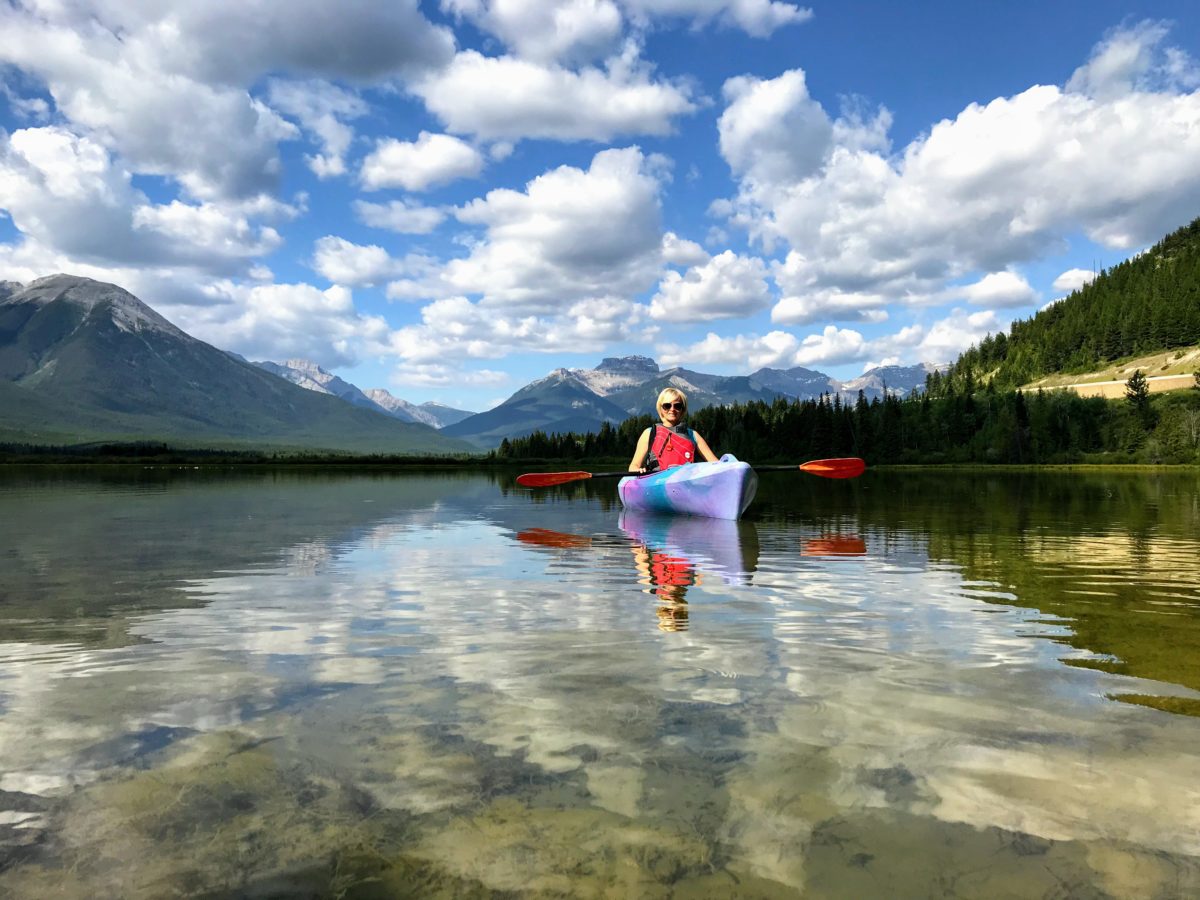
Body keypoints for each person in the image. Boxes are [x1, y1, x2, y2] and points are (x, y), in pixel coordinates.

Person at [628, 387, 719, 474]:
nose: (672, 409)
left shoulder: (693, 435)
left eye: (677, 406)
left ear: (682, 410)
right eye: (667, 406)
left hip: (686, 485)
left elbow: (716, 464)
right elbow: (633, 466)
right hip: (658, 485)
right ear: (660, 408)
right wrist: (638, 470)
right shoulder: (649, 433)